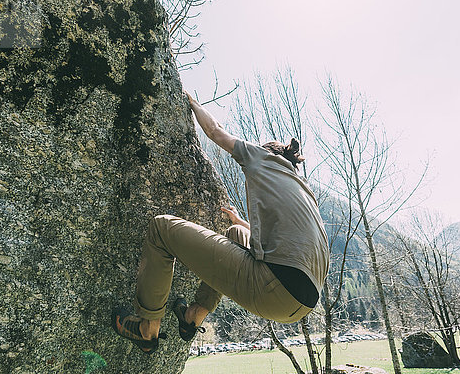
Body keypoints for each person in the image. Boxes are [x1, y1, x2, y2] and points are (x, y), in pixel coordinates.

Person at [112, 91, 330, 354]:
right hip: (302, 302)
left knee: (161, 228)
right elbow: (287, 246)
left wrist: (192, 102)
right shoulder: (305, 190)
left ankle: (147, 328)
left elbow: (215, 131)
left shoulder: (263, 158)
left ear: (267, 152)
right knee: (236, 233)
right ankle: (193, 316)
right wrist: (245, 224)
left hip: (274, 288)